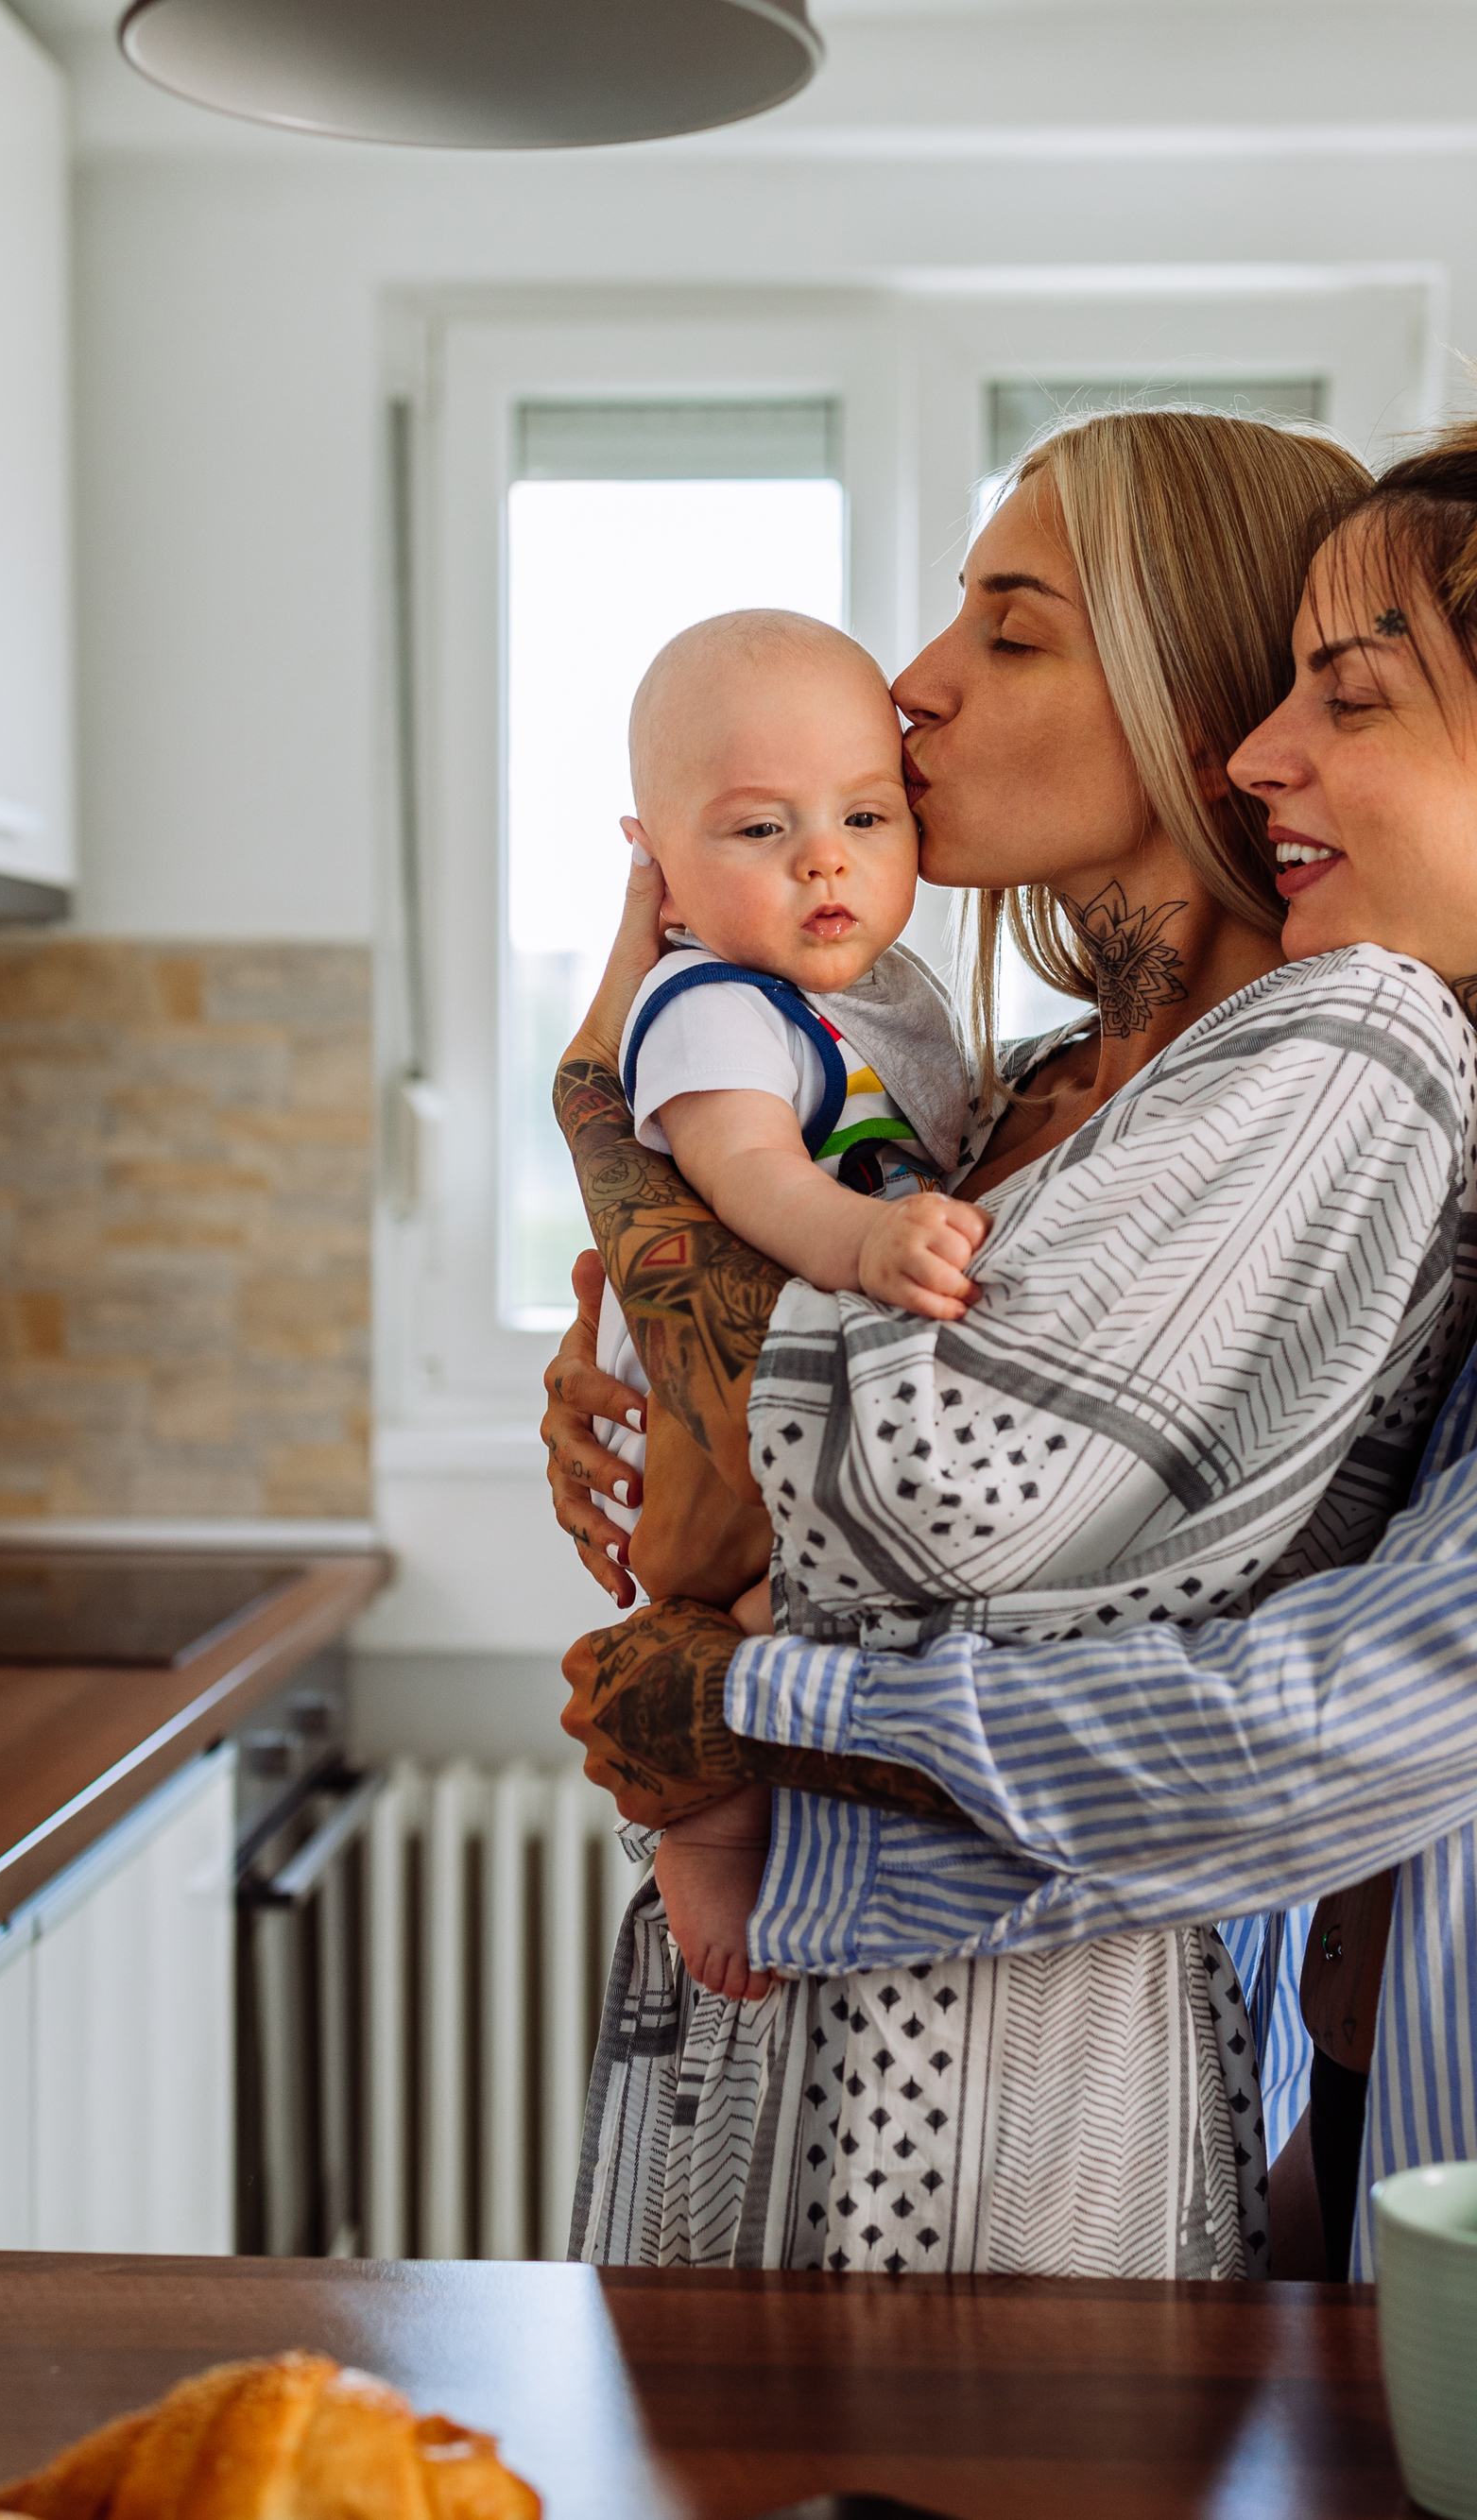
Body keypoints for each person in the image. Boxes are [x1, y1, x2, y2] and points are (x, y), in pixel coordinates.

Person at [542, 324, 1477, 2520]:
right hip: (1410, 2228)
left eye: (1347, 696)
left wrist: (740, 1698)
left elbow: (1326, 1724)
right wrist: (654, 1289)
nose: (1254, 751)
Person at [553, 408, 1477, 2279]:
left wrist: (610, 1129)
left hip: (993, 2086)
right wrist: (656, 1370)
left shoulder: (1334, 1052)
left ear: (1191, 681)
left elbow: (910, 1499)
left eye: (1007, 628)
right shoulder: (1009, 1086)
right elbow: (739, 1489)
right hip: (755, 2028)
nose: (909, 689)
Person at [582, 607, 985, 1995]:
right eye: (759, 831)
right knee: (715, 1616)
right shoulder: (711, 1004)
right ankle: (698, 1826)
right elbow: (744, 1167)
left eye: (867, 816)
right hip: (703, 1440)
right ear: (665, 880)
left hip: (793, 1407)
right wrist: (869, 1244)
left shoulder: (882, 996)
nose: (826, 857)